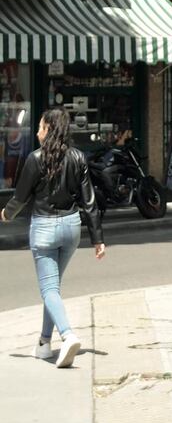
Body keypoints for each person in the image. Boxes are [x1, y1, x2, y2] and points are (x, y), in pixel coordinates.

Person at [0, 107, 105, 368]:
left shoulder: (35, 159)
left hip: (44, 228)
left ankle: (67, 335)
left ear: (49, 130)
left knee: (48, 289)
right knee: (53, 288)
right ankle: (44, 344)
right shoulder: (79, 157)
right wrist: (97, 239)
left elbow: (20, 197)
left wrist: (6, 214)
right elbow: (89, 202)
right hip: (71, 228)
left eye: (40, 127)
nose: (36, 132)